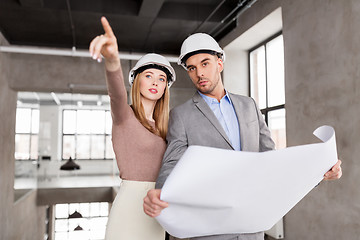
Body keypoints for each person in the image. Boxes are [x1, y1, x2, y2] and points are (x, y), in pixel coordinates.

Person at [143, 33, 342, 240]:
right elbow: (171, 162)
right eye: (192, 68)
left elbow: (271, 161)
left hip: (251, 229)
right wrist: (161, 193)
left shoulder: (249, 106)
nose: (199, 73)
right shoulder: (181, 115)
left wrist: (319, 173)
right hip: (211, 230)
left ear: (219, 63)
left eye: (205, 63)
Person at [89, 16, 175, 240]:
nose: (156, 82)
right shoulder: (124, 115)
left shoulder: (167, 126)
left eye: (162, 78)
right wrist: (112, 59)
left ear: (166, 87)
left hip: (157, 210)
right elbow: (116, 92)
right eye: (149, 76)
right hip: (128, 209)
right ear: (137, 81)